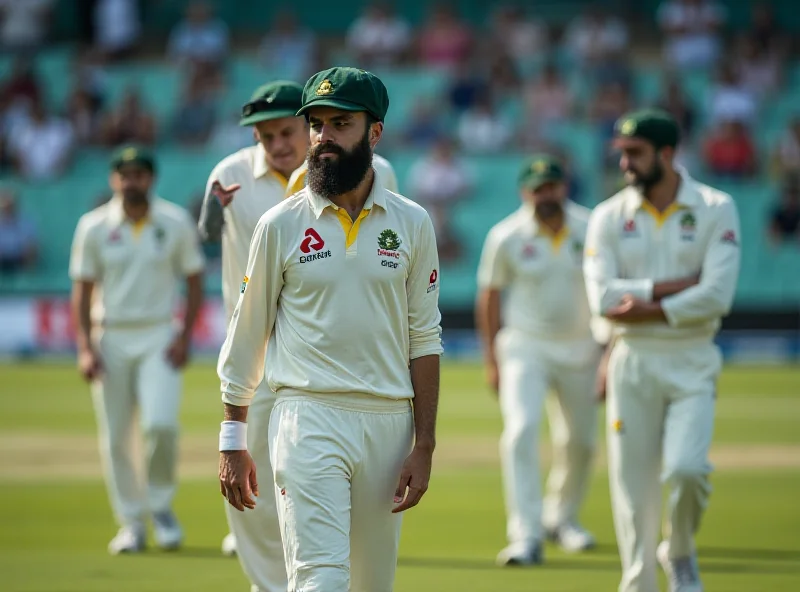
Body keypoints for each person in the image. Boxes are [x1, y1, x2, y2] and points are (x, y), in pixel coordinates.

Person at [216, 67, 443, 591]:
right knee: (320, 579)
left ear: (375, 133)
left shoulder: (411, 223)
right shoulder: (281, 224)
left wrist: (424, 444)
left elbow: (425, 338)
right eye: (316, 125)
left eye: (340, 124)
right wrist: (233, 437)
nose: (323, 139)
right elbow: (247, 331)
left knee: (371, 583)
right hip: (306, 416)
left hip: (389, 423)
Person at [583, 109, 741, 592]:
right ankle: (638, 583)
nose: (626, 164)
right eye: (622, 154)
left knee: (688, 471)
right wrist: (675, 288)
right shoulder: (609, 216)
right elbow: (603, 300)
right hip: (632, 358)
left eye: (636, 153)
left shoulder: (715, 207)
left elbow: (718, 295)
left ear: (667, 154)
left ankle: (680, 548)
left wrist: (644, 304)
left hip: (692, 356)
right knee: (632, 489)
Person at [198, 80, 307, 591]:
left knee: (314, 471)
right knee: (246, 469)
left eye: (287, 131)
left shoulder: (345, 171)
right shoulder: (231, 174)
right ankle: (268, 584)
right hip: (256, 343)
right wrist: (211, 212)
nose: (278, 144)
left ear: (310, 125)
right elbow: (205, 238)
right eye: (266, 136)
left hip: (320, 345)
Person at [68, 146, 205, 554]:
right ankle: (131, 521)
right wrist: (84, 347)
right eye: (124, 175)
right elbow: (82, 291)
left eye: (139, 174)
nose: (132, 182)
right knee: (115, 435)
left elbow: (194, 280)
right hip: (110, 335)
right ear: (114, 180)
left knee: (160, 426)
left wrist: (184, 336)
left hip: (159, 335)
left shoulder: (174, 221)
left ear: (151, 178)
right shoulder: (93, 226)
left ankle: (160, 507)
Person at [476, 155, 605, 566]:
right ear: (524, 192)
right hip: (525, 346)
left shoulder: (591, 228)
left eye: (551, 186)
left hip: (582, 348)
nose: (545, 195)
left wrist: (607, 351)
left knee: (581, 442)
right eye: (537, 188)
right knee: (521, 431)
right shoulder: (507, 235)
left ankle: (562, 518)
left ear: (563, 187)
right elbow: (490, 296)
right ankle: (525, 536)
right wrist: (492, 359)